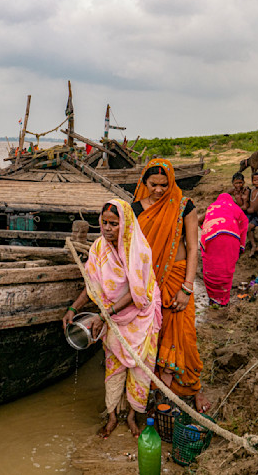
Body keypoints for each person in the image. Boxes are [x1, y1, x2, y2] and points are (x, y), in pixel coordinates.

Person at [62, 200, 162, 438]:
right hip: (111, 318)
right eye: (104, 223)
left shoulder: (139, 251)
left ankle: (132, 415)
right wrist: (73, 309)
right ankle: (113, 415)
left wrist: (104, 315)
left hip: (141, 318)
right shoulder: (98, 249)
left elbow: (138, 294)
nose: (107, 228)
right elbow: (92, 287)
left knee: (140, 368)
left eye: (114, 224)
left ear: (125, 224)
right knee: (113, 368)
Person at [131, 159, 211, 413]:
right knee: (152, 337)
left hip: (177, 279)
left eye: (164, 185)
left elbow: (192, 250)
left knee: (184, 335)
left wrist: (187, 288)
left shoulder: (184, 206)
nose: (158, 190)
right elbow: (130, 252)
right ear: (144, 183)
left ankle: (193, 388)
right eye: (153, 185)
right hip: (147, 284)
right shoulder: (134, 210)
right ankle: (154, 393)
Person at [200, 193, 248, 307]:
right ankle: (223, 300)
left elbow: (199, 220)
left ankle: (213, 299)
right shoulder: (235, 208)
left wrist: (205, 230)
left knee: (211, 268)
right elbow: (244, 223)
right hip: (231, 238)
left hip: (211, 238)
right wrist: (241, 245)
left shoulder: (212, 207)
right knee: (226, 269)